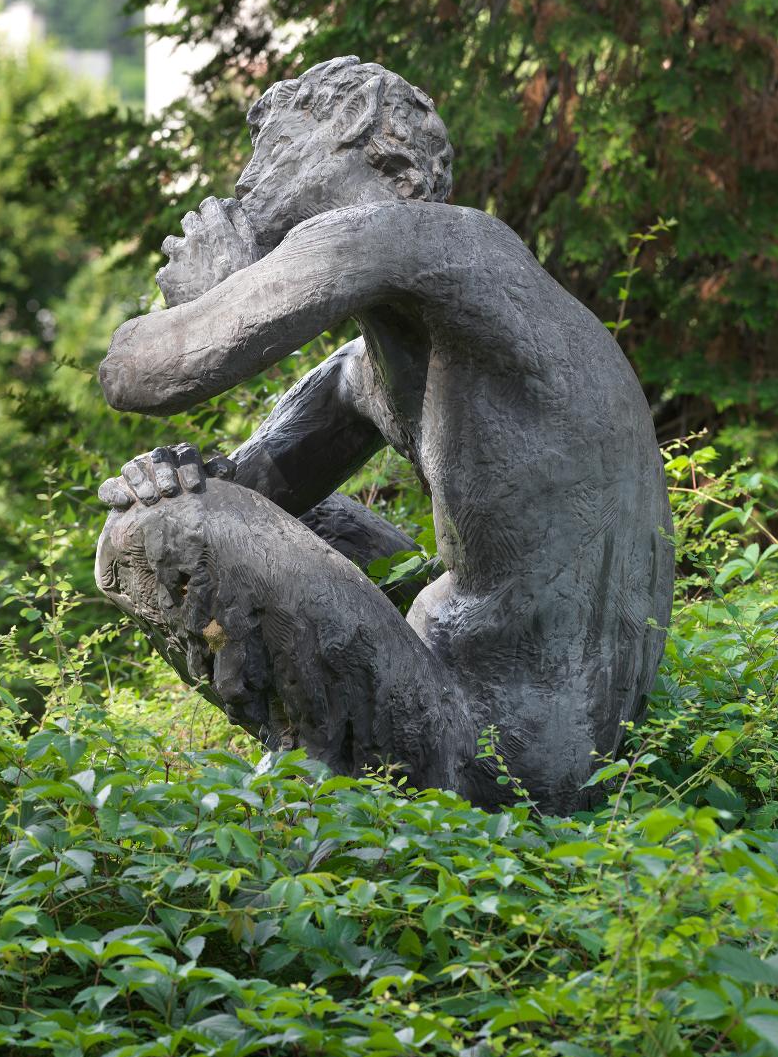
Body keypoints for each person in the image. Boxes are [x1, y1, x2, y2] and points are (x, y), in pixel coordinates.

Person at [95, 56, 673, 811]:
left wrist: (212, 292)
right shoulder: (375, 361)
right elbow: (252, 488)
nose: (243, 180)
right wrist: (166, 475)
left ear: (347, 128)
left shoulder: (416, 239)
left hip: (499, 752)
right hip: (545, 734)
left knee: (149, 535)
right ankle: (340, 791)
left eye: (271, 145)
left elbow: (142, 372)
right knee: (278, 515)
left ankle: (324, 814)